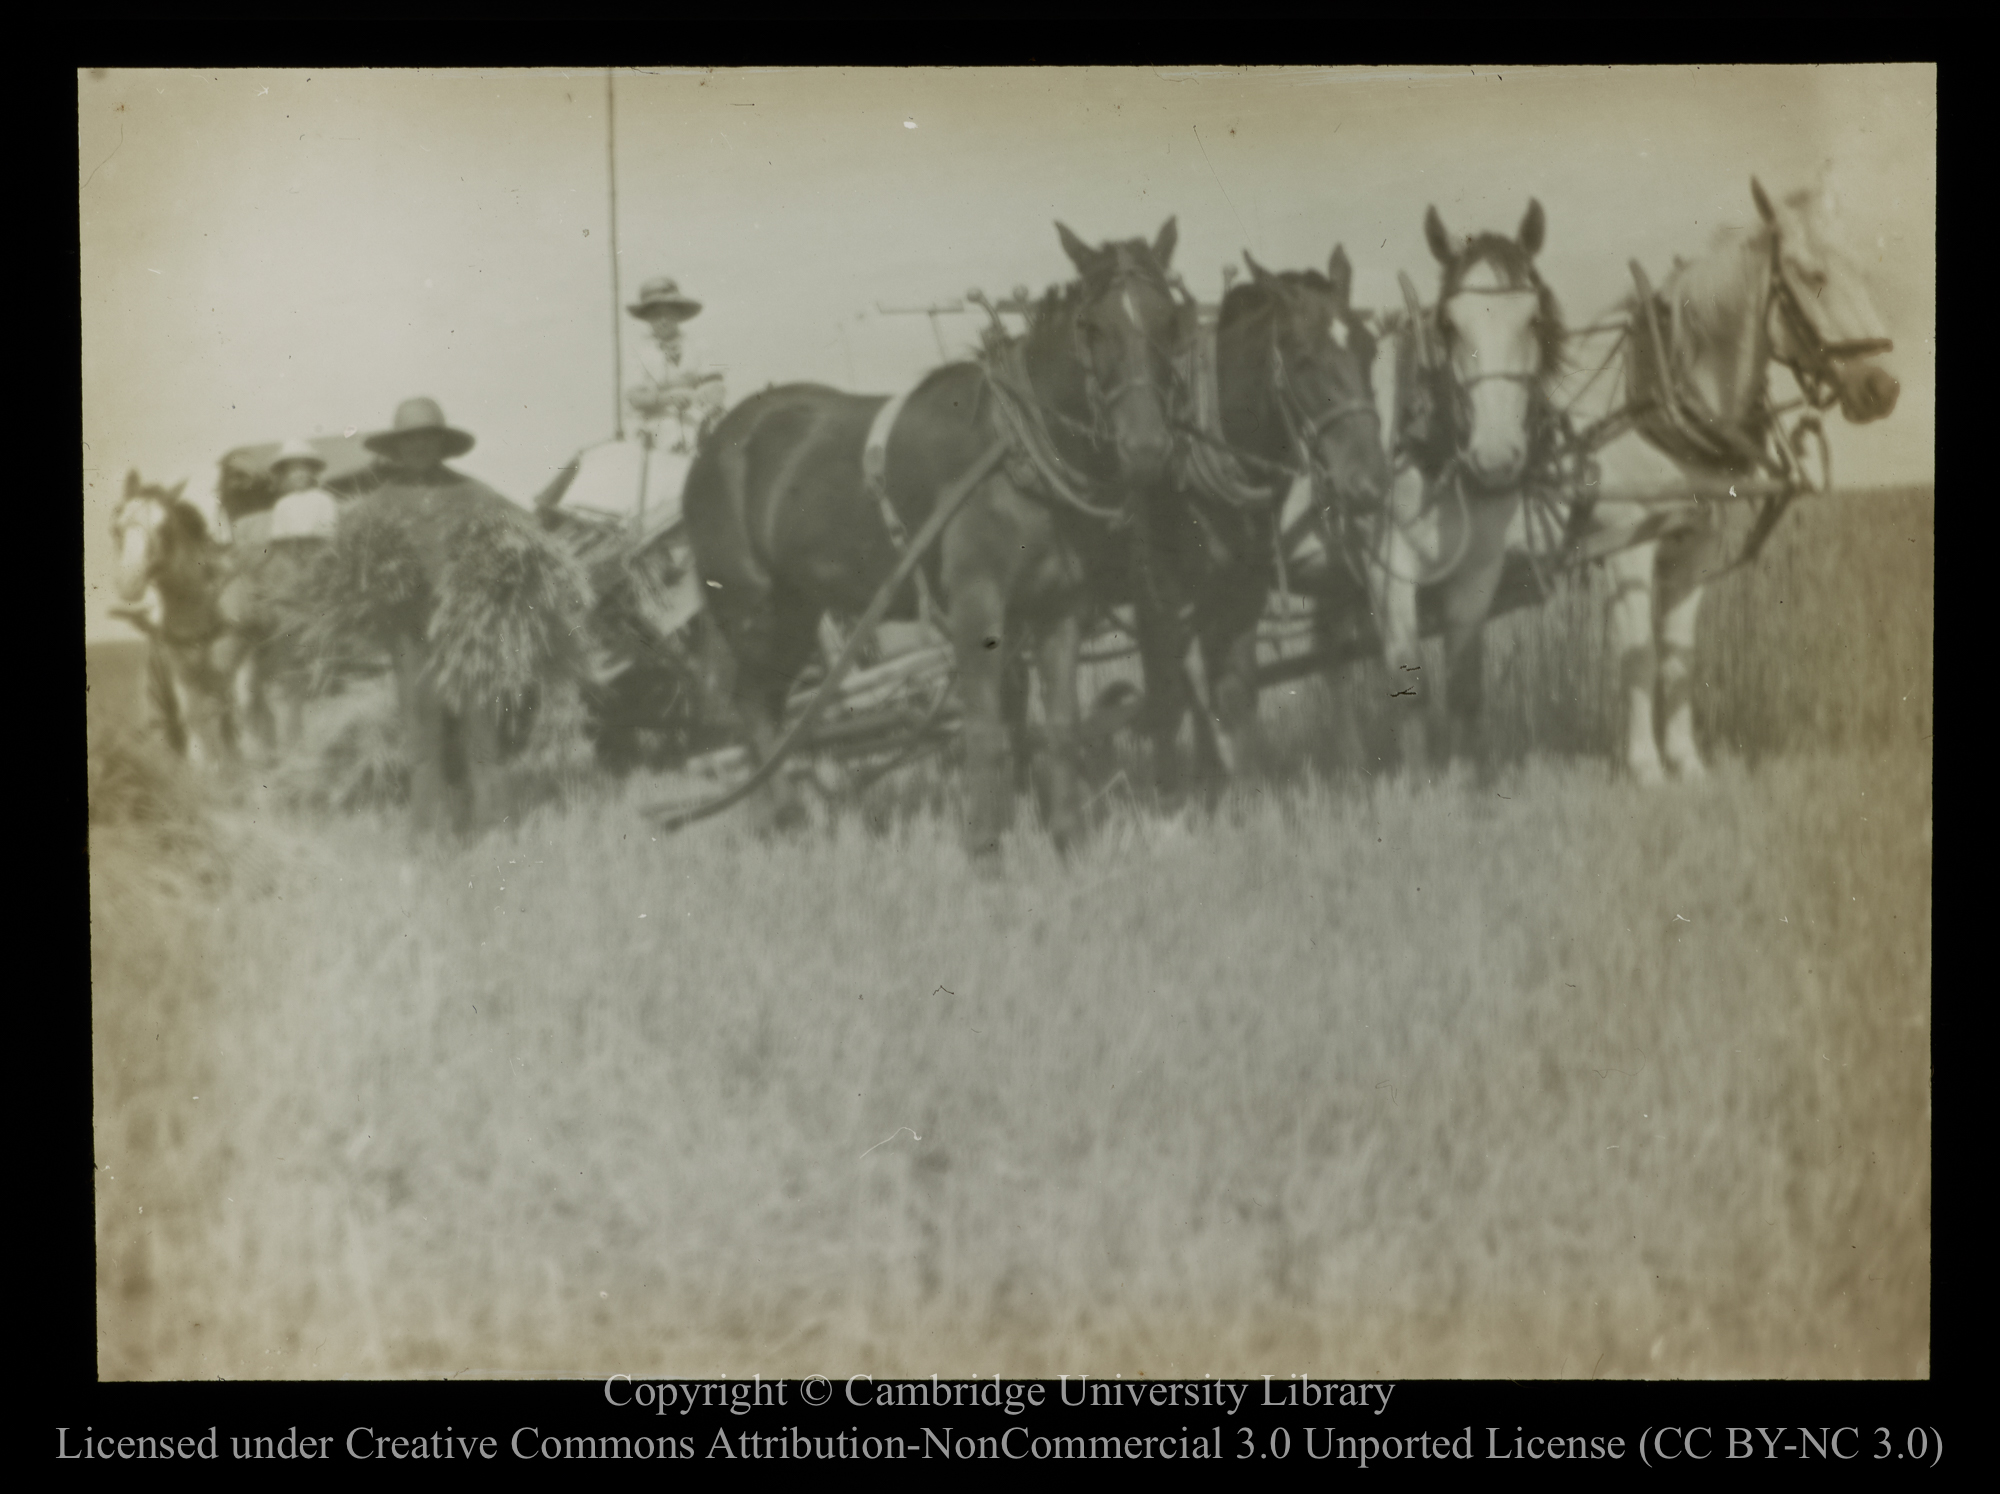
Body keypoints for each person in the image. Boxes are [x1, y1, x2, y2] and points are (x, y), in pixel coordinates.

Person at [625, 276, 728, 453]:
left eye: (668, 313)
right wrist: (667, 397)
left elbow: (716, 387)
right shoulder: (638, 352)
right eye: (656, 315)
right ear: (647, 318)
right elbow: (634, 397)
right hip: (654, 427)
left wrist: (696, 395)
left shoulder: (700, 346)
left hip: (697, 421)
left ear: (679, 314)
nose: (663, 320)